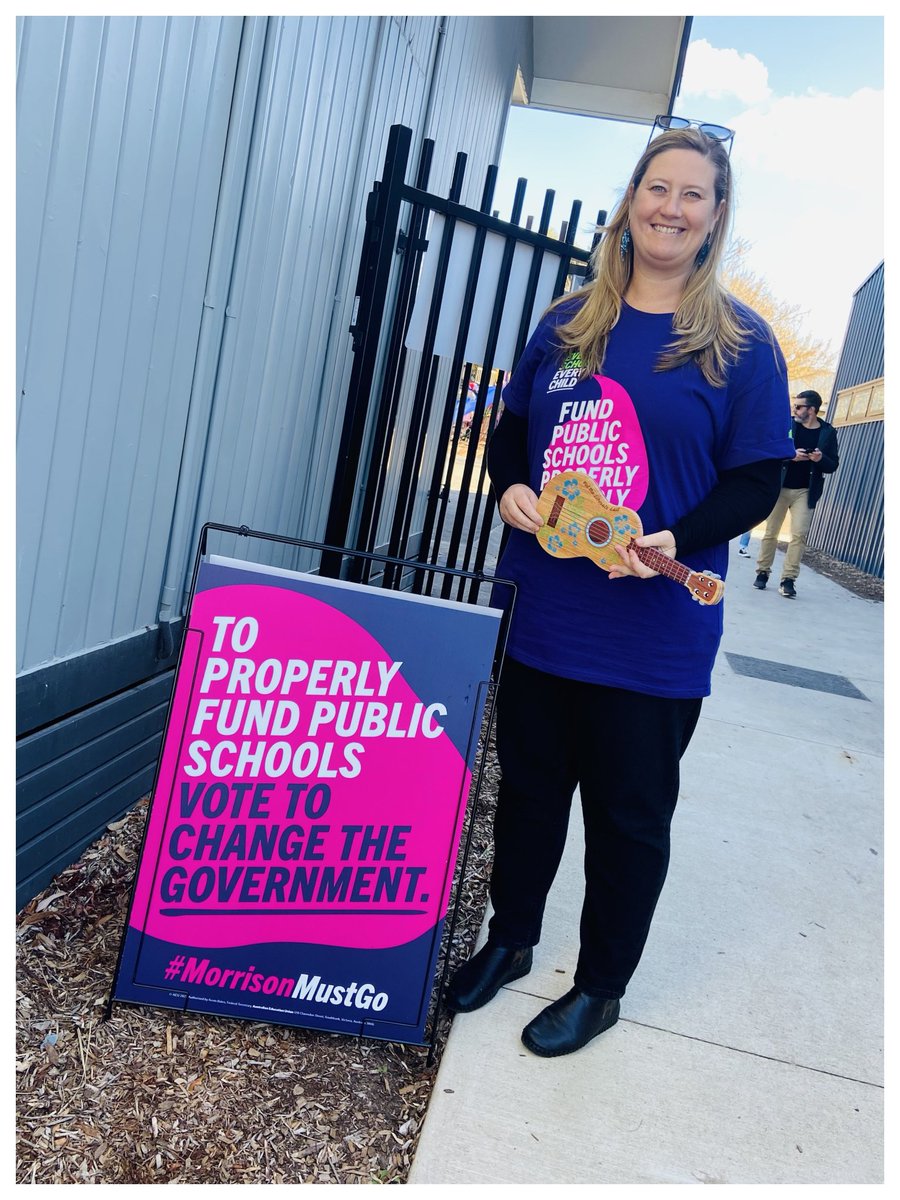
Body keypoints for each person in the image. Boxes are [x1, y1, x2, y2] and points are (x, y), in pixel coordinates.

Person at [444, 125, 794, 1057]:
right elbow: (512, 431)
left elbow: (759, 476)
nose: (671, 207)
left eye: (694, 194)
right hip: (545, 615)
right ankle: (511, 939)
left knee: (629, 819)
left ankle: (601, 986)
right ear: (631, 199)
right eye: (658, 187)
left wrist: (685, 532)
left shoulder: (741, 345)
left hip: (654, 634)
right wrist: (511, 487)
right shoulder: (568, 324)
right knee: (525, 795)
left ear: (717, 218)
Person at [753, 390, 839, 597]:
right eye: (794, 405)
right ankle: (763, 572)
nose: (794, 409)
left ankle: (788, 579)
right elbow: (770, 453)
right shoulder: (787, 426)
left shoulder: (827, 432)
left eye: (799, 406)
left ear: (812, 410)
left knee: (799, 535)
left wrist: (820, 459)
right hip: (780, 487)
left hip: (806, 491)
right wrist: (790, 456)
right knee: (771, 532)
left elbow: (833, 464)